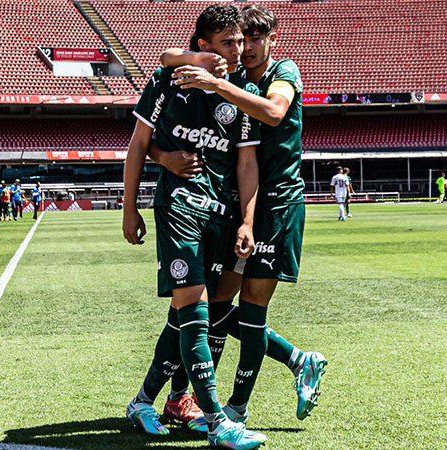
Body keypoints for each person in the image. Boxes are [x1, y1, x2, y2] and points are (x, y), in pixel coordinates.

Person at [157, 3, 326, 427]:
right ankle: (293, 359)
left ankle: (235, 408)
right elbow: (167, 60)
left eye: (255, 39)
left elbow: (273, 111)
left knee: (250, 307)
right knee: (214, 304)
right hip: (231, 206)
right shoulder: (231, 75)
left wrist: (216, 83)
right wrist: (197, 65)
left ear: (272, 39)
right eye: (240, 39)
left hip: (276, 204)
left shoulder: (283, 73)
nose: (246, 48)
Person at [122, 5, 266, 449]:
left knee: (188, 317)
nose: (238, 50)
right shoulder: (168, 80)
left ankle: (144, 401)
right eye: (228, 42)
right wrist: (130, 208)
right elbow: (138, 146)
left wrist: (247, 220)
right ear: (203, 46)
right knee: (194, 310)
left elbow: (246, 161)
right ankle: (218, 422)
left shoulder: (241, 90)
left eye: (241, 41)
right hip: (179, 205)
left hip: (221, 214)